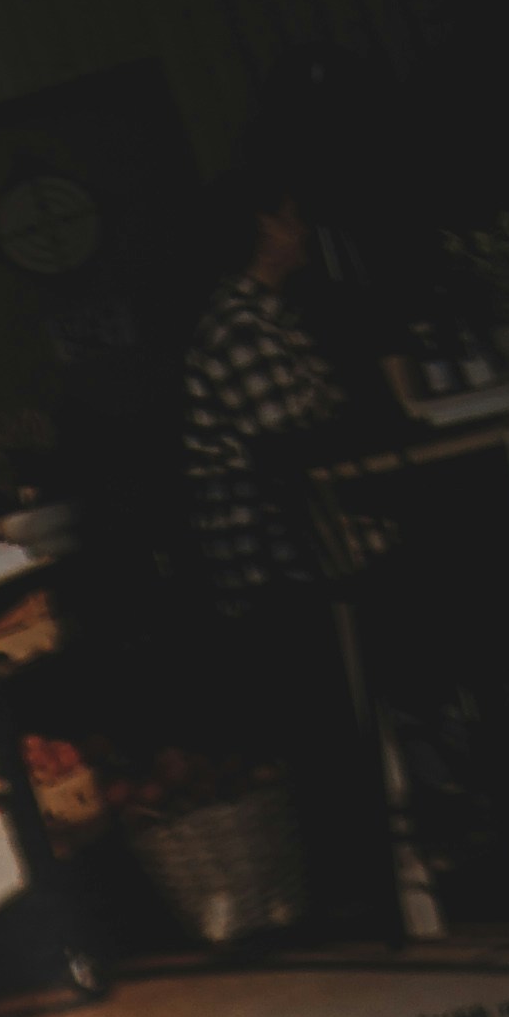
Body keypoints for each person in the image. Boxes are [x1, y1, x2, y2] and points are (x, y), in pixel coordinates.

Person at [179, 169, 394, 939]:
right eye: (292, 219)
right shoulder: (239, 325)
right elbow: (296, 441)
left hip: (307, 549)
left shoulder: (269, 317)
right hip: (278, 563)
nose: (302, 231)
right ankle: (364, 888)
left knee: (343, 717)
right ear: (264, 230)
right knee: (326, 728)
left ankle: (387, 869)